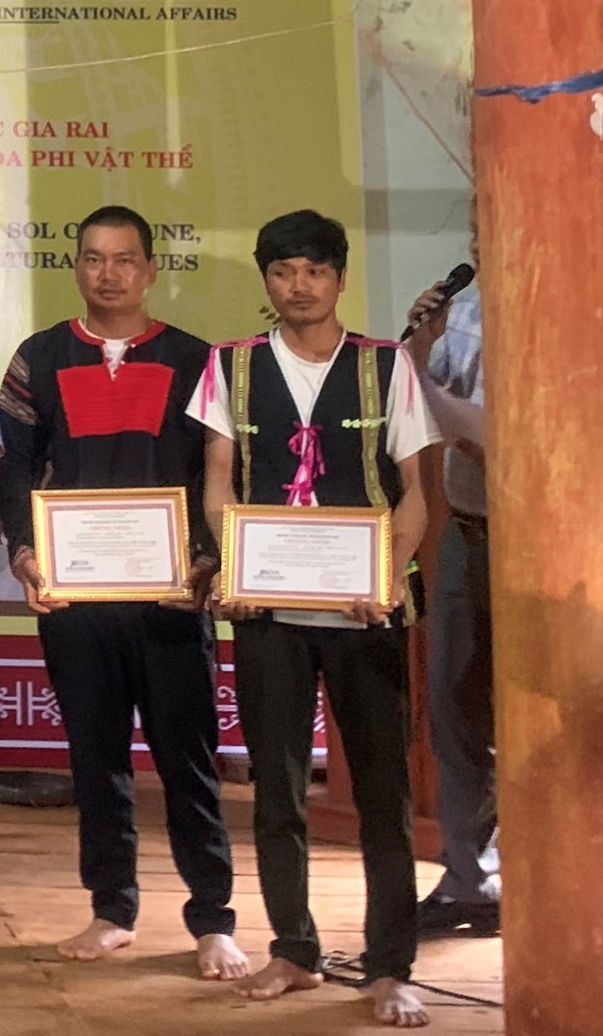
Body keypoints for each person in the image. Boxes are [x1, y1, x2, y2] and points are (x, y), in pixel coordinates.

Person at [187, 209, 437, 1029]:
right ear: (267, 281)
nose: (299, 285)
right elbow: (218, 482)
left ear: (338, 278)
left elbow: (414, 495)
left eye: (314, 271)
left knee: (383, 792)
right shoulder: (230, 365)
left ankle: (391, 963)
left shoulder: (385, 365)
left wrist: (391, 576)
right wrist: (233, 564)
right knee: (279, 791)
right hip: (268, 614)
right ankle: (294, 947)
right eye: (283, 271)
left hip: (366, 611)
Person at [0, 206, 247, 980]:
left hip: (172, 601)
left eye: (125, 259)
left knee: (188, 760)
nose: (109, 272)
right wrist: (28, 551)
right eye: (95, 258)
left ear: (150, 269)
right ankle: (112, 908)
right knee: (95, 758)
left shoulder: (196, 359)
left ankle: (212, 918)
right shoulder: (38, 358)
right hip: (77, 602)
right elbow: (12, 470)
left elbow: (218, 477)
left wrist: (207, 561)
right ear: (76, 265)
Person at [402, 236, 499, 940]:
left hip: (548, 541)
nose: (478, 242)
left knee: (533, 723)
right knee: (454, 711)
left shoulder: (587, 306)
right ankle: (470, 879)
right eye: (474, 229)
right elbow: (422, 405)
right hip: (468, 530)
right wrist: (421, 345)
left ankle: (550, 876)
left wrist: (453, 415)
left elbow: (496, 433)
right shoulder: (464, 311)